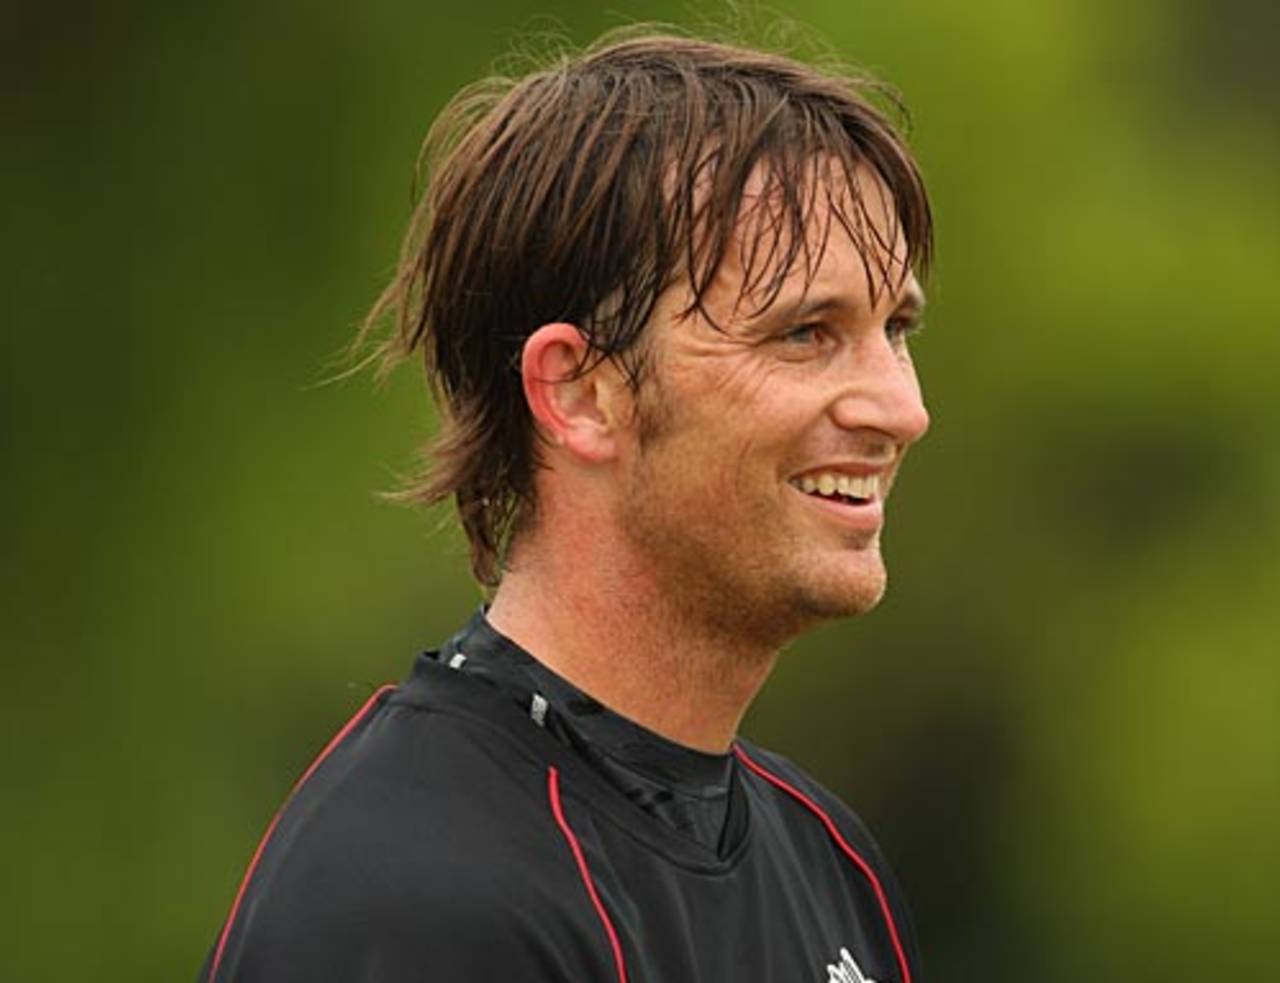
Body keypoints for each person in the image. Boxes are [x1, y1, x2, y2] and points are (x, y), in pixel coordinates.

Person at [201, 27, 934, 983]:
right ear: (580, 393)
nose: (903, 409)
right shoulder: (418, 900)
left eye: (896, 328)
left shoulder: (832, 862)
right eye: (804, 332)